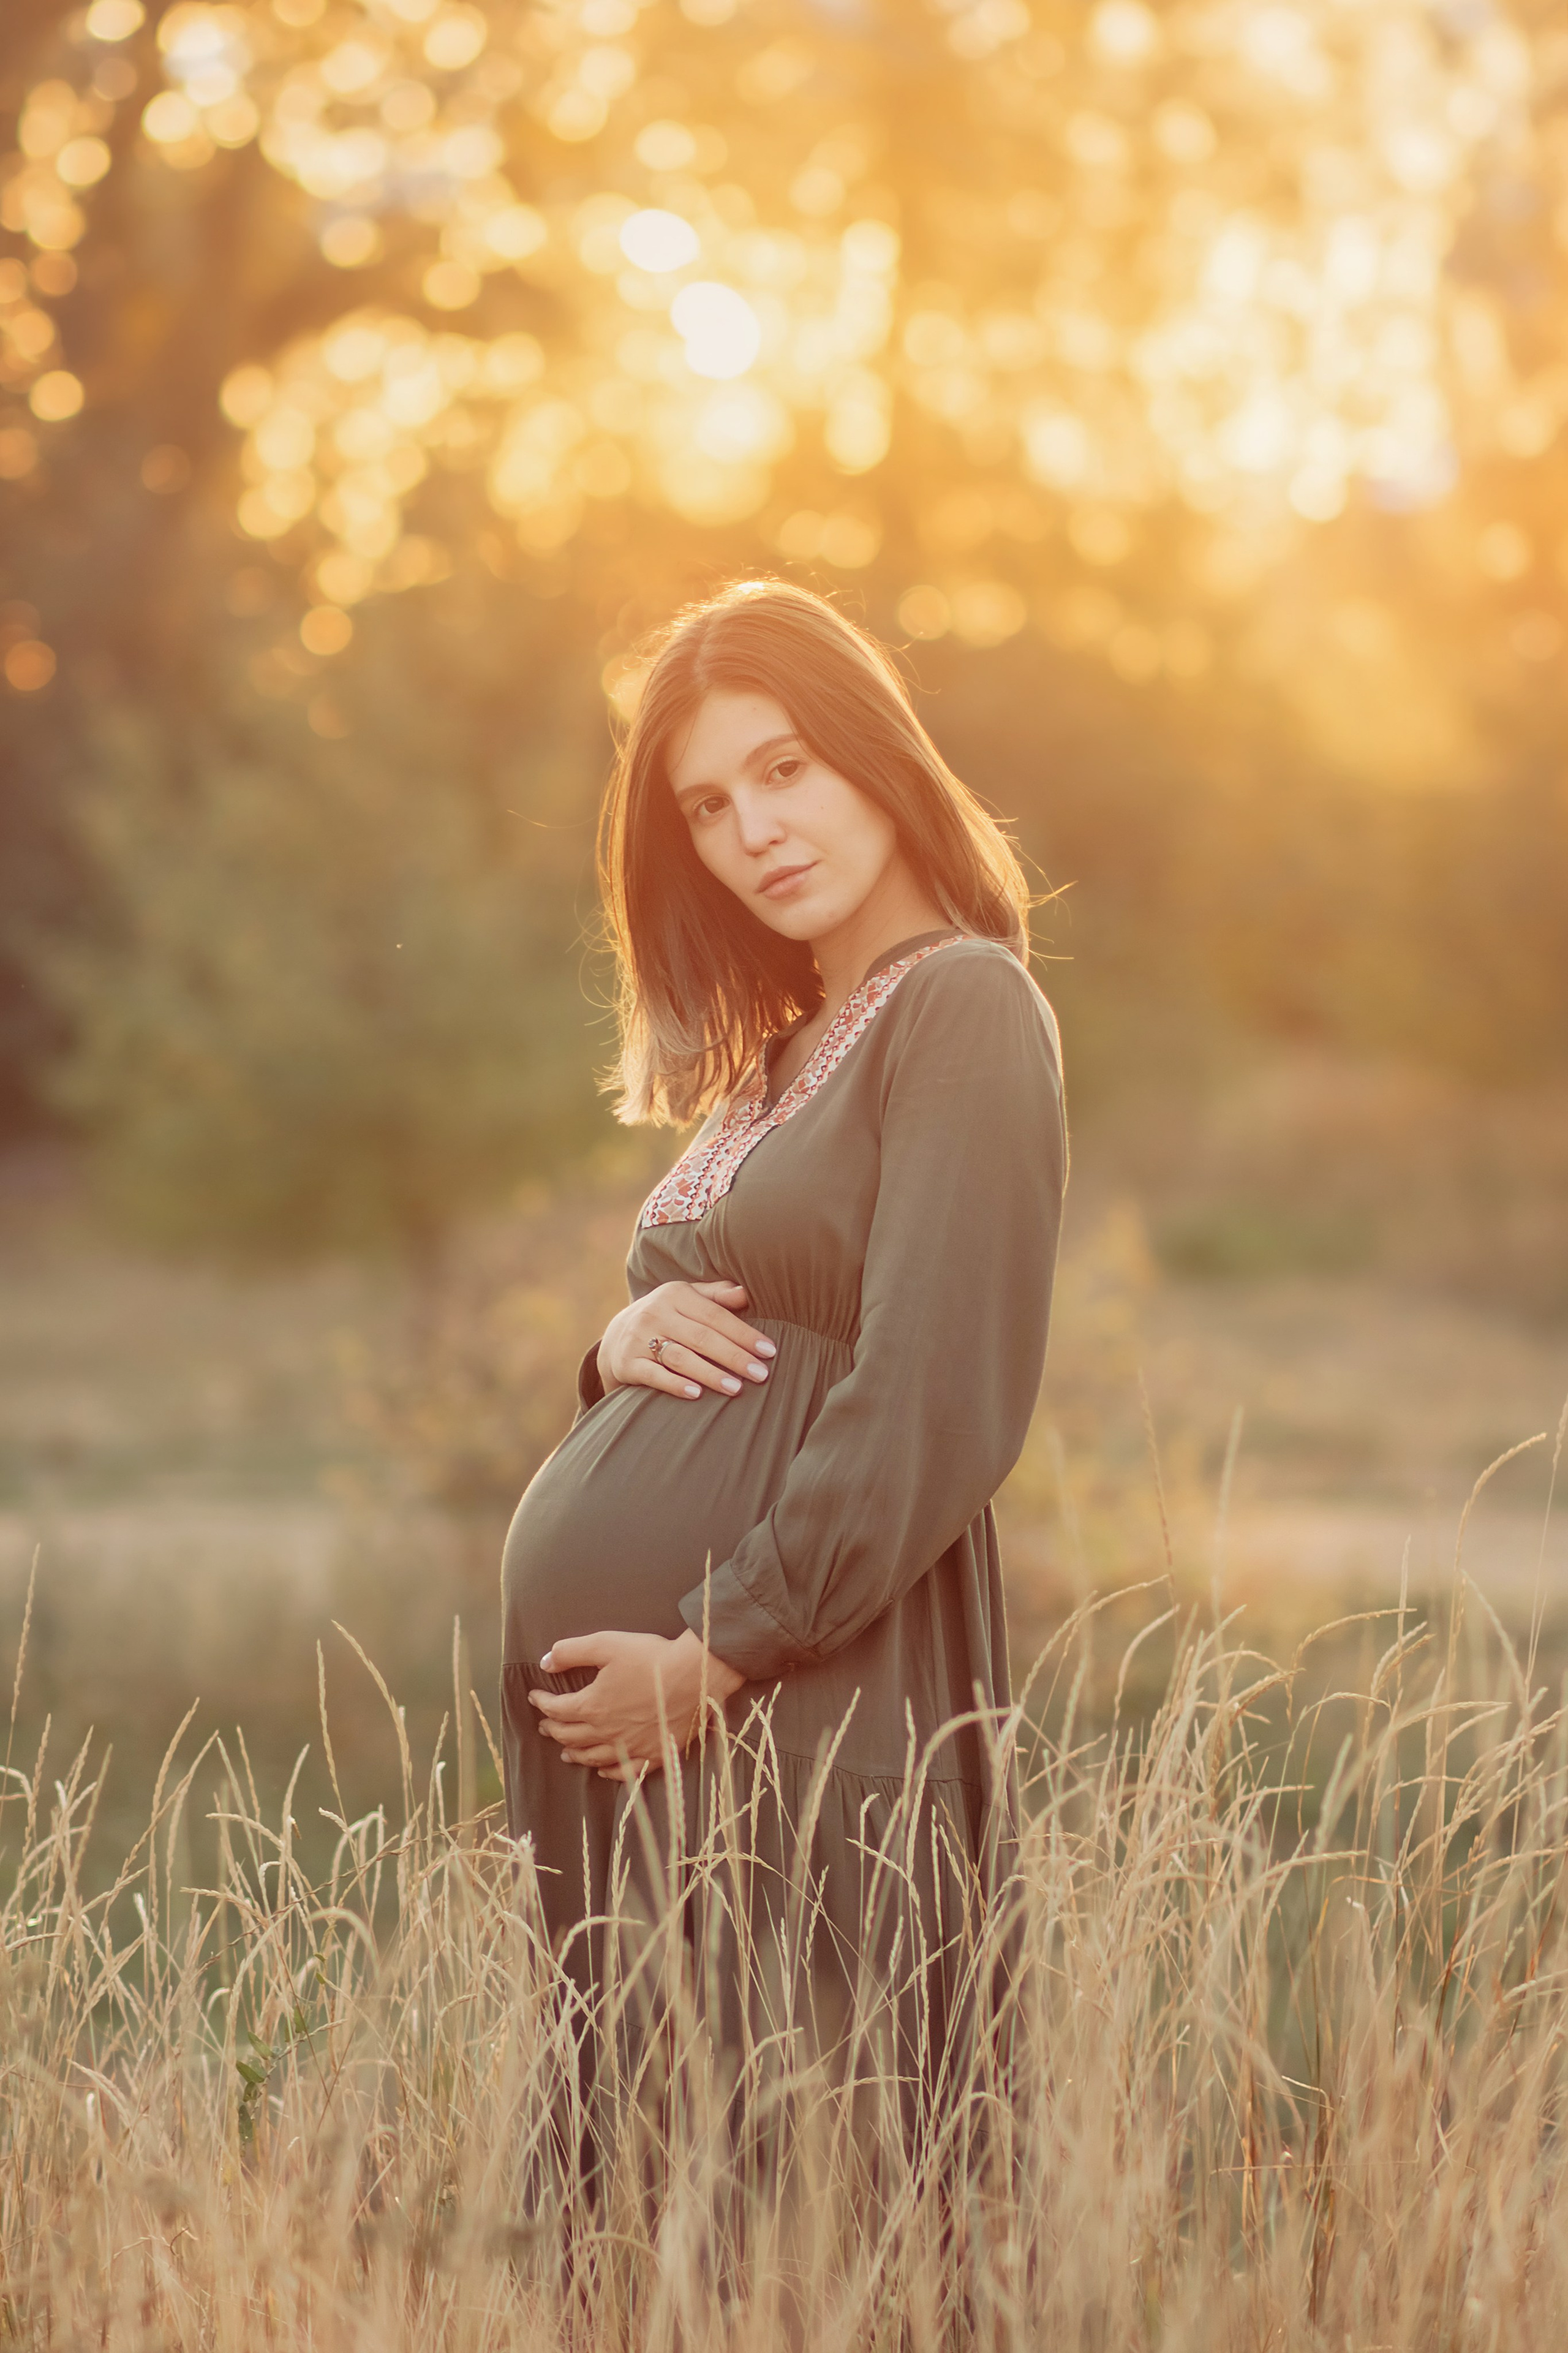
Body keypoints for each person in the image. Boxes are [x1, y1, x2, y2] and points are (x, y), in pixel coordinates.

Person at [499, 578, 1067, 2140]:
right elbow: (717, 1337)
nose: (753, 826)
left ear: (874, 755)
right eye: (706, 800)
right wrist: (610, 1351)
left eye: (784, 767)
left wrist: (717, 1650)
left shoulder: (960, 1004)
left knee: (807, 2157)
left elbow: (933, 1396)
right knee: (652, 2159)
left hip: (791, 1683)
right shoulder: (779, 1051)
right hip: (660, 1712)